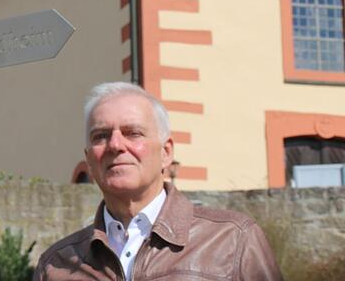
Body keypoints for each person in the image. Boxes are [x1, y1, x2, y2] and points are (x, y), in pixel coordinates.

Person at [34, 82, 282, 280]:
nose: (116, 145)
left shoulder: (231, 240)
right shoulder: (56, 265)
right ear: (89, 160)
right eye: (101, 135)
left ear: (166, 152)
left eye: (133, 133)